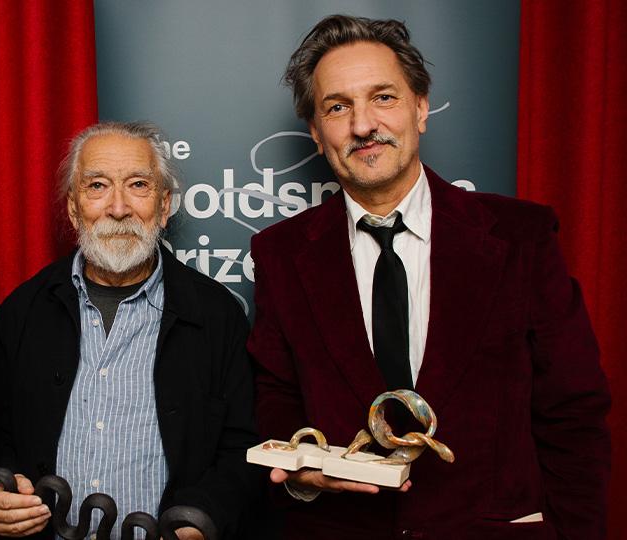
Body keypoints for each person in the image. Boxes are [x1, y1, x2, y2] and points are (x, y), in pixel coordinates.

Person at [247, 15, 611, 539]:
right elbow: (276, 395)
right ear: (316, 132)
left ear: (421, 108)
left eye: (384, 98)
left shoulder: (521, 236)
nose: (363, 124)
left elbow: (574, 413)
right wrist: (301, 474)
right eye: (337, 107)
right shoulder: (280, 254)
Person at [0, 121, 260, 539]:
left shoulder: (217, 315)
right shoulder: (23, 310)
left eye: (138, 185)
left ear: (164, 206)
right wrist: (0, 493)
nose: (118, 208)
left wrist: (203, 519)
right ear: (74, 207)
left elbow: (243, 449)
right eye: (97, 186)